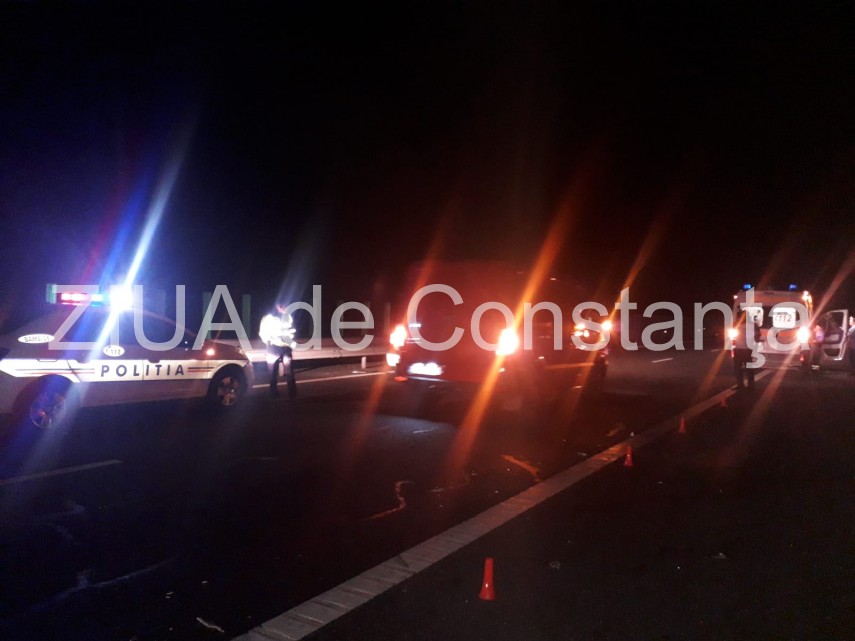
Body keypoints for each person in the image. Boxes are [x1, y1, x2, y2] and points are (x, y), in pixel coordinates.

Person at [259, 305, 297, 398]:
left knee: (286, 371)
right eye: (281, 306)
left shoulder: (287, 316)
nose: (283, 308)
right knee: (275, 371)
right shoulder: (269, 318)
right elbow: (263, 333)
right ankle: (278, 392)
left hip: (282, 347)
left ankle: (288, 392)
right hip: (275, 347)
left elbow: (293, 330)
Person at [732, 310, 761, 389]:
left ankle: (744, 385)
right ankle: (746, 385)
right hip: (742, 349)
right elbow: (757, 336)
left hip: (742, 349)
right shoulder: (752, 325)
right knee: (744, 368)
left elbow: (757, 336)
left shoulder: (739, 325)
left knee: (741, 368)